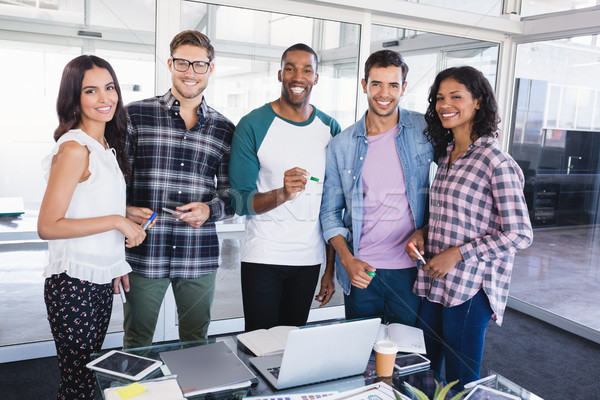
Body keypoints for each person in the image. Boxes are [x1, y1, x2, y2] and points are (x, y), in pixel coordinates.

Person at [406, 66, 533, 387]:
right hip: (434, 282)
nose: (444, 104)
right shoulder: (447, 156)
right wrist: (423, 233)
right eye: (439, 98)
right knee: (423, 373)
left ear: (478, 101)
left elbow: (520, 234)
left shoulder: (496, 162)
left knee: (462, 383)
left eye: (455, 96)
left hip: (470, 288)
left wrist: (458, 254)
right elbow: (450, 214)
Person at [38, 55, 148, 400]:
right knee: (80, 385)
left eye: (110, 87)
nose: (105, 99)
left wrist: (124, 212)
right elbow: (48, 225)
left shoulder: (104, 147)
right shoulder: (75, 148)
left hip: (97, 281)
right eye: (91, 91)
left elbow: (83, 202)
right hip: (73, 285)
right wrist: (118, 220)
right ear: (74, 98)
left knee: (86, 380)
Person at [123, 30, 235, 348]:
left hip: (197, 254)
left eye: (199, 65)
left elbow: (232, 194)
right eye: (183, 63)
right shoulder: (135, 115)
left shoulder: (225, 129)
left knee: (196, 341)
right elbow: (116, 182)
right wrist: (125, 210)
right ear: (170, 64)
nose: (190, 72)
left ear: (210, 69)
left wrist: (209, 210)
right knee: (137, 340)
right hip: (145, 252)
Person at [229, 43, 340, 332]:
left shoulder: (331, 128)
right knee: (259, 344)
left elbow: (333, 207)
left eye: (306, 70)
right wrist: (283, 194)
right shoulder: (252, 125)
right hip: (263, 257)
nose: (297, 77)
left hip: (308, 260)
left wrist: (330, 269)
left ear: (316, 78)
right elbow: (239, 201)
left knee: (292, 347)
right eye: (290, 68)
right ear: (280, 74)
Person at [320, 50, 433, 325]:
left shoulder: (425, 129)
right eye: (377, 84)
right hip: (361, 269)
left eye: (393, 85)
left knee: (407, 356)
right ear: (364, 85)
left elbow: (453, 182)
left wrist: (425, 230)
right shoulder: (342, 144)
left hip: (410, 270)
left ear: (403, 88)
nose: (385, 93)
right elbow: (330, 212)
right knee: (362, 358)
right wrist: (346, 261)